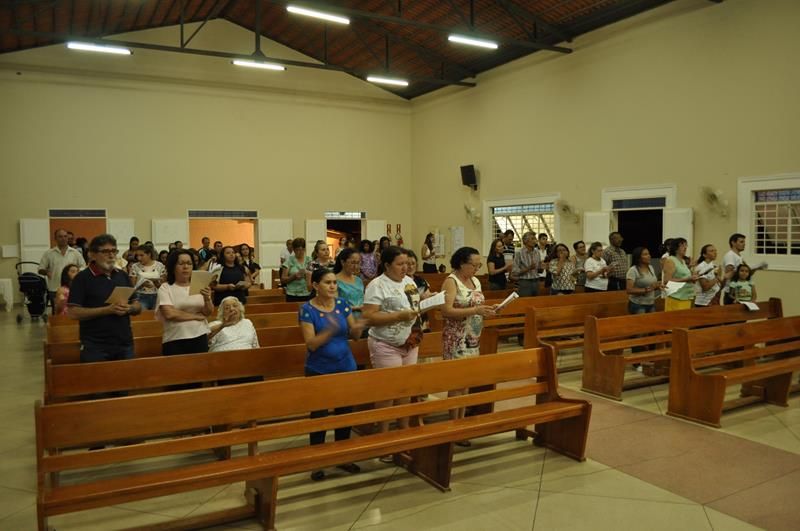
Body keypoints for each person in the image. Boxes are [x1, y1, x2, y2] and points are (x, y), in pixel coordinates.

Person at [300, 269, 365, 481]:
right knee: (319, 416)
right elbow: (311, 344)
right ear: (315, 285)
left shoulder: (342, 305)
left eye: (334, 283)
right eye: (327, 282)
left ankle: (343, 457)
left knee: (344, 414)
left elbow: (355, 335)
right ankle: (317, 462)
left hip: (346, 365)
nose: (332, 286)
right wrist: (329, 330)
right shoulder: (307, 310)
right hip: (319, 368)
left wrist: (360, 326)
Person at [362, 246, 423, 436]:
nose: (405, 267)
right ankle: (384, 434)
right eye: (400, 264)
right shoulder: (377, 285)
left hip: (410, 342)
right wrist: (398, 316)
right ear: (387, 265)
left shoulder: (409, 282)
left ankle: (403, 429)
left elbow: (414, 306)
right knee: (388, 392)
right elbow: (369, 317)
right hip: (386, 344)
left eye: (407, 263)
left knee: (405, 389)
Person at [441, 247, 496, 437]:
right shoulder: (451, 281)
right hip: (456, 338)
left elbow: (478, 306)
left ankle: (462, 421)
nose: (477, 269)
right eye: (474, 265)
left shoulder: (475, 281)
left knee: (466, 383)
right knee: (456, 383)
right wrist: (475, 311)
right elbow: (446, 311)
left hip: (473, 337)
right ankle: (453, 425)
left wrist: (489, 309)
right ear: (461, 263)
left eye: (479, 265)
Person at [67, 234, 141, 363]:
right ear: (93, 255)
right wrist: (107, 310)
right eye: (105, 251)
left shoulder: (122, 275)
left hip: (124, 343)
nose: (111, 255)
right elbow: (73, 312)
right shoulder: (82, 278)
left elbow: (137, 306)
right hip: (95, 346)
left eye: (114, 251)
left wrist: (129, 308)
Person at [155, 249, 214, 357]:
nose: (185, 267)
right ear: (173, 267)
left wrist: (207, 299)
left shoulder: (200, 285)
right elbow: (170, 314)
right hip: (175, 338)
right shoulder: (166, 288)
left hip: (200, 335)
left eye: (189, 263)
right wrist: (196, 316)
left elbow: (207, 312)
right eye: (181, 263)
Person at [39, 228, 86, 313]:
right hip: (54, 288)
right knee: (57, 312)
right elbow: (40, 269)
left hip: (72, 288)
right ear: (55, 238)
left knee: (72, 311)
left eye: (65, 236)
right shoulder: (49, 253)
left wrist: (76, 272)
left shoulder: (75, 253)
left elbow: (83, 267)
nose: (63, 238)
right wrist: (46, 272)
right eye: (60, 236)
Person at [662, 237, 698, 311]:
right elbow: (667, 281)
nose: (685, 247)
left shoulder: (683, 261)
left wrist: (693, 278)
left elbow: (684, 276)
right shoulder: (670, 260)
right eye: (682, 245)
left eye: (686, 245)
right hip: (676, 297)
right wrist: (687, 279)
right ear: (675, 248)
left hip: (686, 296)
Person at [129, 243, 167, 310]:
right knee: (142, 315)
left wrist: (156, 283)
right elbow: (132, 287)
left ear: (149, 254)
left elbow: (164, 286)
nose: (139, 258)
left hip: (157, 296)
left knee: (157, 315)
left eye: (141, 255)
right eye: (137, 255)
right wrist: (141, 284)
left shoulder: (159, 265)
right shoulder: (135, 266)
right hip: (141, 296)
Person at [626, 247, 660, 314]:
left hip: (651, 303)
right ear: (638, 258)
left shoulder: (651, 267)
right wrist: (647, 289)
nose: (649, 256)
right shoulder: (633, 270)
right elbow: (629, 290)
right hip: (638, 304)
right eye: (645, 254)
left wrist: (657, 286)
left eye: (649, 254)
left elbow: (652, 286)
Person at [335, 248, 364, 318]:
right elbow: (334, 305)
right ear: (343, 262)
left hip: (362, 318)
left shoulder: (358, 280)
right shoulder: (334, 281)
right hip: (344, 318)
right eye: (353, 263)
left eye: (358, 263)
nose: (356, 266)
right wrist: (357, 308)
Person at [512, 231, 541, 297]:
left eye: (535, 239)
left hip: (536, 281)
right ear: (525, 241)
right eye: (532, 239)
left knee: (536, 301)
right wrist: (528, 268)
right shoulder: (519, 253)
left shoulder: (537, 252)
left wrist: (542, 267)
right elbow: (515, 272)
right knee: (525, 301)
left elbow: (539, 270)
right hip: (525, 282)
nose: (535, 241)